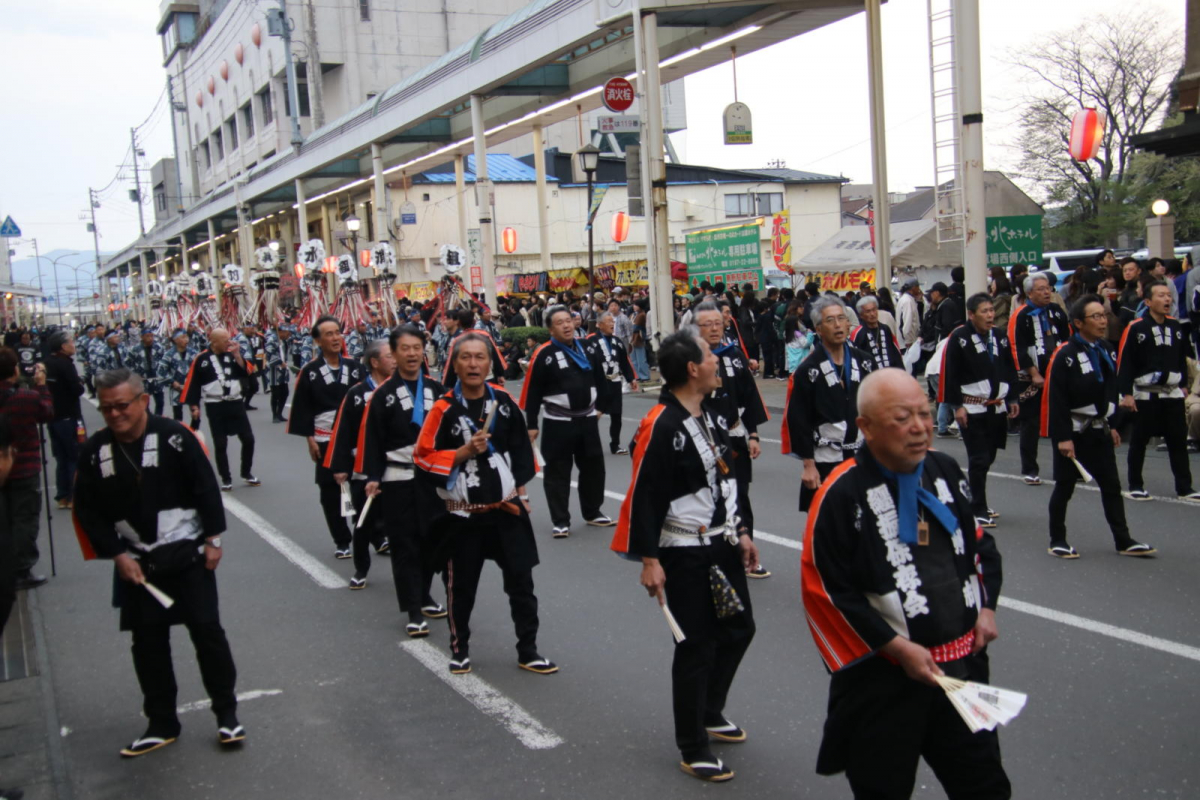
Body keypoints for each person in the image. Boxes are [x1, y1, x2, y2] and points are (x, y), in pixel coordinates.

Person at [801, 368, 1008, 800]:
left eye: (925, 414)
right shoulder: (841, 494)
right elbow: (828, 593)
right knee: (882, 788)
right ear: (866, 427)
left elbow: (979, 547)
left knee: (986, 784)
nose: (919, 428)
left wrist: (986, 608)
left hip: (961, 670)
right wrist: (896, 649)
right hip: (884, 683)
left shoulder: (945, 468)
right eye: (902, 418)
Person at [611, 328, 759, 783]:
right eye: (711, 354)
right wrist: (649, 559)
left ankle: (710, 710)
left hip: (722, 542)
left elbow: (727, 481)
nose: (718, 361)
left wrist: (742, 532)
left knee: (739, 628)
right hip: (682, 550)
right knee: (695, 645)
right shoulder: (661, 423)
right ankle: (692, 745)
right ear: (693, 368)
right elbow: (644, 495)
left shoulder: (710, 414)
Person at [73, 369, 244, 757]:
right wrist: (117, 554)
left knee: (207, 633)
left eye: (122, 406)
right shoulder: (96, 451)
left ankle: (227, 714)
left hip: (186, 552)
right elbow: (89, 511)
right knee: (147, 643)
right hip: (137, 561)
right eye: (106, 408)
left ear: (143, 401)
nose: (115, 415)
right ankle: (162, 721)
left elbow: (205, 487)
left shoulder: (174, 436)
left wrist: (213, 540)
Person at [414, 333, 555, 676]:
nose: (474, 364)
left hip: (506, 510)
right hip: (463, 516)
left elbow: (522, 454)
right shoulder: (443, 409)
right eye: (466, 358)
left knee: (522, 584)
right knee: (461, 587)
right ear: (456, 364)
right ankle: (459, 649)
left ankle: (529, 649)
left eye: (480, 358)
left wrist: (520, 494)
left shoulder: (504, 401)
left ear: (490, 363)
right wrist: (462, 453)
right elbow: (422, 458)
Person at [1041, 295, 1156, 558]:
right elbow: (1055, 399)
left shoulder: (1104, 349)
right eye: (1096, 316)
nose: (1103, 321)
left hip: (1099, 428)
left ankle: (1123, 539)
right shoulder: (1065, 354)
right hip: (1074, 430)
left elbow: (1110, 389)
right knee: (1065, 487)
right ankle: (1057, 539)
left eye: (1104, 315)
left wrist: (1113, 424)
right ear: (1078, 322)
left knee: (1112, 486)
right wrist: (1062, 437)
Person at [358, 325, 448, 635]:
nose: (411, 354)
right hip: (397, 478)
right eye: (404, 349)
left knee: (432, 541)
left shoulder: (437, 390)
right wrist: (372, 475)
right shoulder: (382, 395)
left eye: (416, 347)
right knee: (405, 544)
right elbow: (372, 438)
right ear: (394, 354)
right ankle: (413, 610)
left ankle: (423, 593)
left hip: (432, 479)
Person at [520, 305, 613, 537]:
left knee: (594, 468)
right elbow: (532, 392)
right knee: (557, 473)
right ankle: (560, 520)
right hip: (557, 423)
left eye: (569, 320)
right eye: (560, 322)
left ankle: (593, 512)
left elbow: (601, 379)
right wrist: (531, 424)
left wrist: (601, 406)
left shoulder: (586, 348)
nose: (566, 325)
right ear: (551, 329)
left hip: (588, 420)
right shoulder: (544, 354)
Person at [693, 302, 770, 578]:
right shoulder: (689, 359)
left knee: (740, 496)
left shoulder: (734, 353)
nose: (715, 328)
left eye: (718, 322)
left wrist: (752, 434)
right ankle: (712, 555)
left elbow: (749, 395)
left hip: (735, 436)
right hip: (702, 440)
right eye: (707, 324)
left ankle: (745, 552)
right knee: (710, 498)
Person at [783, 296, 875, 511]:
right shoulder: (808, 370)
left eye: (841, 318)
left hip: (863, 457)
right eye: (830, 320)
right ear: (818, 329)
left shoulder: (865, 361)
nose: (837, 325)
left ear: (848, 323)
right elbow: (799, 420)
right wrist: (808, 465)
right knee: (829, 523)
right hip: (826, 458)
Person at [939, 293, 1020, 527]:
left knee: (990, 455)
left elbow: (1009, 368)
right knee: (979, 458)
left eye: (991, 310)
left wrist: (1013, 397)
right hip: (971, 407)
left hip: (996, 407)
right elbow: (951, 373)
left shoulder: (1000, 336)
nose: (990, 315)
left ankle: (977, 499)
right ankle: (978, 508)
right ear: (971, 315)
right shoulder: (960, 337)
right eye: (984, 311)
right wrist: (957, 407)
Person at [287, 315, 365, 558]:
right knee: (330, 491)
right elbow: (302, 408)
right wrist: (309, 439)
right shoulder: (309, 371)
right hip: (324, 437)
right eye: (328, 334)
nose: (335, 338)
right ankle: (341, 539)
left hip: (354, 437)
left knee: (363, 485)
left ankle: (374, 534)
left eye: (337, 332)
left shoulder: (355, 367)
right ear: (318, 340)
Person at [1117, 281, 1200, 502]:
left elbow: (1183, 358)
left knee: (1177, 441)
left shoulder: (1176, 326)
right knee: (1139, 441)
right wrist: (1126, 393)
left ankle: (1185, 487)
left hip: (1172, 392)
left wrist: (1183, 384)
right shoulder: (1136, 327)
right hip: (1145, 392)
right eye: (1161, 296)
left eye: (1168, 296)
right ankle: (1136, 484)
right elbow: (1125, 363)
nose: (1167, 300)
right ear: (1148, 301)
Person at [324, 340, 394, 589]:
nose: (395, 360)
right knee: (363, 520)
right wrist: (340, 466)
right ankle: (361, 567)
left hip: (397, 465)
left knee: (401, 520)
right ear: (374, 362)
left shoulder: (403, 390)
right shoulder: (356, 394)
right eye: (389, 356)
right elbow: (342, 431)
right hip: (363, 464)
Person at [1007, 272, 1071, 485]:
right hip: (1033, 377)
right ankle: (1030, 469)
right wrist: (1034, 373)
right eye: (1041, 289)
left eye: (1048, 288)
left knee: (1061, 420)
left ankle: (1064, 467)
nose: (1047, 292)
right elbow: (1017, 346)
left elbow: (1067, 338)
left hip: (1058, 374)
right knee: (1031, 423)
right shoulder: (1021, 314)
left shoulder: (1056, 311)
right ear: (1029, 293)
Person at [182, 328, 260, 492]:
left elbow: (246, 371)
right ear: (214, 341)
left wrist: (238, 355)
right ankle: (226, 477)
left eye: (229, 339)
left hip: (235, 402)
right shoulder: (202, 359)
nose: (228, 342)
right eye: (225, 340)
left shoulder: (232, 355)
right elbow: (193, 383)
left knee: (248, 439)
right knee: (220, 443)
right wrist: (194, 406)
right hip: (215, 405)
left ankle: (246, 472)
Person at [0, 348, 52, 589]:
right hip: (25, 466)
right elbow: (47, 412)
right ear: (14, 370)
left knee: (6, 516)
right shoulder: (26, 397)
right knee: (25, 517)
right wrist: (41, 384)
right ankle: (22, 569)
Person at [43, 331, 85, 510]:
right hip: (69, 416)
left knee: (60, 457)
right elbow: (76, 389)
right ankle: (72, 495)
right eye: (70, 342)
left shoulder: (46, 363)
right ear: (62, 346)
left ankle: (62, 496)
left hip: (53, 417)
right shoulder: (65, 364)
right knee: (73, 456)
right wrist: (80, 384)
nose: (73, 345)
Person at [589, 312, 639, 455]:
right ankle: (588, 443)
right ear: (599, 324)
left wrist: (631, 379)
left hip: (615, 381)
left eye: (613, 321)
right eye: (609, 321)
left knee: (616, 415)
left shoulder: (617, 342)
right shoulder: (591, 341)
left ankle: (615, 444)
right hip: (599, 383)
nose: (612, 324)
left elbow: (624, 362)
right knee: (595, 414)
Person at [850, 295, 903, 370]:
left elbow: (896, 353)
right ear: (861, 315)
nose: (872, 314)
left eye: (874, 310)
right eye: (868, 311)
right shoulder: (858, 333)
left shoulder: (885, 329)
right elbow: (855, 359)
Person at [158, 330, 198, 425]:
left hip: (191, 387)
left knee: (196, 414)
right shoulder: (169, 355)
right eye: (183, 337)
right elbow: (161, 371)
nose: (186, 339)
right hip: (176, 387)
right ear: (175, 340)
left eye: (186, 337)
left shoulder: (193, 353)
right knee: (178, 415)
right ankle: (180, 434)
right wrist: (172, 382)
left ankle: (193, 434)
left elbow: (199, 369)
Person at [126, 328, 166, 415]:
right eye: (147, 336)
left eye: (152, 336)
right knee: (145, 403)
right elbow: (128, 363)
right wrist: (135, 375)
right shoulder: (135, 349)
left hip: (157, 379)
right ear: (142, 337)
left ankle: (157, 418)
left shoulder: (159, 347)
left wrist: (163, 373)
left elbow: (165, 361)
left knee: (160, 402)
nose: (150, 338)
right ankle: (147, 419)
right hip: (142, 380)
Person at [263, 324, 296, 423]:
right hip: (274, 371)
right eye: (287, 333)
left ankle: (280, 413)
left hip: (283, 370)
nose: (289, 335)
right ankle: (275, 415)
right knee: (276, 394)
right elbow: (269, 353)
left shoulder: (283, 341)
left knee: (285, 393)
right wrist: (279, 362)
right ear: (281, 331)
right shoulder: (272, 339)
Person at [895, 278, 923, 356]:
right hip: (907, 342)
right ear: (913, 287)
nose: (919, 289)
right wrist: (908, 340)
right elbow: (907, 321)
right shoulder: (908, 301)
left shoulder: (907, 299)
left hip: (907, 340)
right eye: (918, 287)